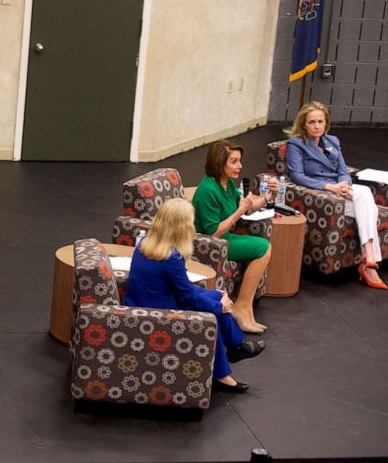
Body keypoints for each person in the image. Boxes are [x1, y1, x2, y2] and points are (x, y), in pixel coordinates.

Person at [124, 198, 265, 393]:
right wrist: (219, 306)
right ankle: (229, 361)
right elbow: (187, 297)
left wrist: (215, 295)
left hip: (142, 303)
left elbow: (181, 289)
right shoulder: (172, 257)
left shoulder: (146, 244)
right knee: (213, 312)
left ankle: (234, 352)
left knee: (216, 297)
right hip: (156, 314)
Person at [285, 101, 386, 290]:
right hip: (322, 195)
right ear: (303, 124)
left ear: (326, 123)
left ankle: (369, 260)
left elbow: (343, 170)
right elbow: (297, 176)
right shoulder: (296, 144)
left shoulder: (333, 141)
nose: (316, 126)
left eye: (320, 122)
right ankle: (369, 260)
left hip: (340, 190)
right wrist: (330, 187)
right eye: (312, 122)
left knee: (363, 199)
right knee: (367, 201)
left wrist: (345, 184)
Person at [191, 139, 275, 333]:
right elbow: (213, 232)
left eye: (239, 161)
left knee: (264, 246)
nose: (240, 166)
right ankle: (242, 306)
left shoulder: (227, 184)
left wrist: (269, 197)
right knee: (263, 248)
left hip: (225, 240)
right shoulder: (208, 190)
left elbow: (249, 207)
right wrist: (239, 211)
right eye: (234, 161)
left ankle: (245, 306)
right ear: (220, 163)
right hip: (211, 245)